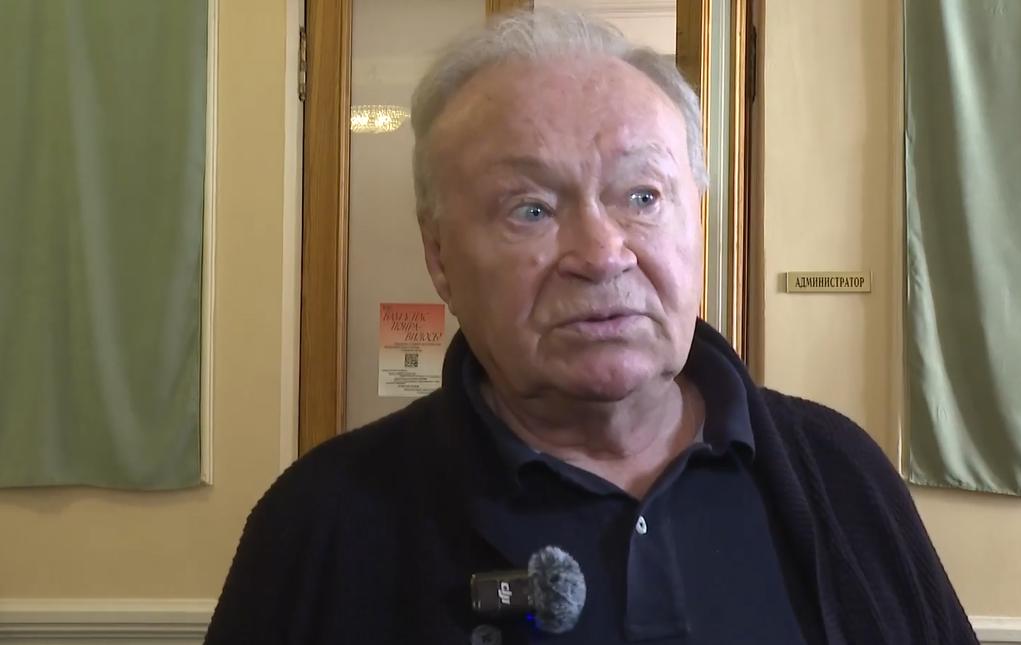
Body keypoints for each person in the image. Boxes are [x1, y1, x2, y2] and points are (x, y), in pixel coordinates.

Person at [205, 9, 977, 645]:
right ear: (439, 257)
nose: (603, 253)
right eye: (531, 208)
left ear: (697, 222)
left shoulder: (841, 474)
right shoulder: (321, 522)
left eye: (642, 197)